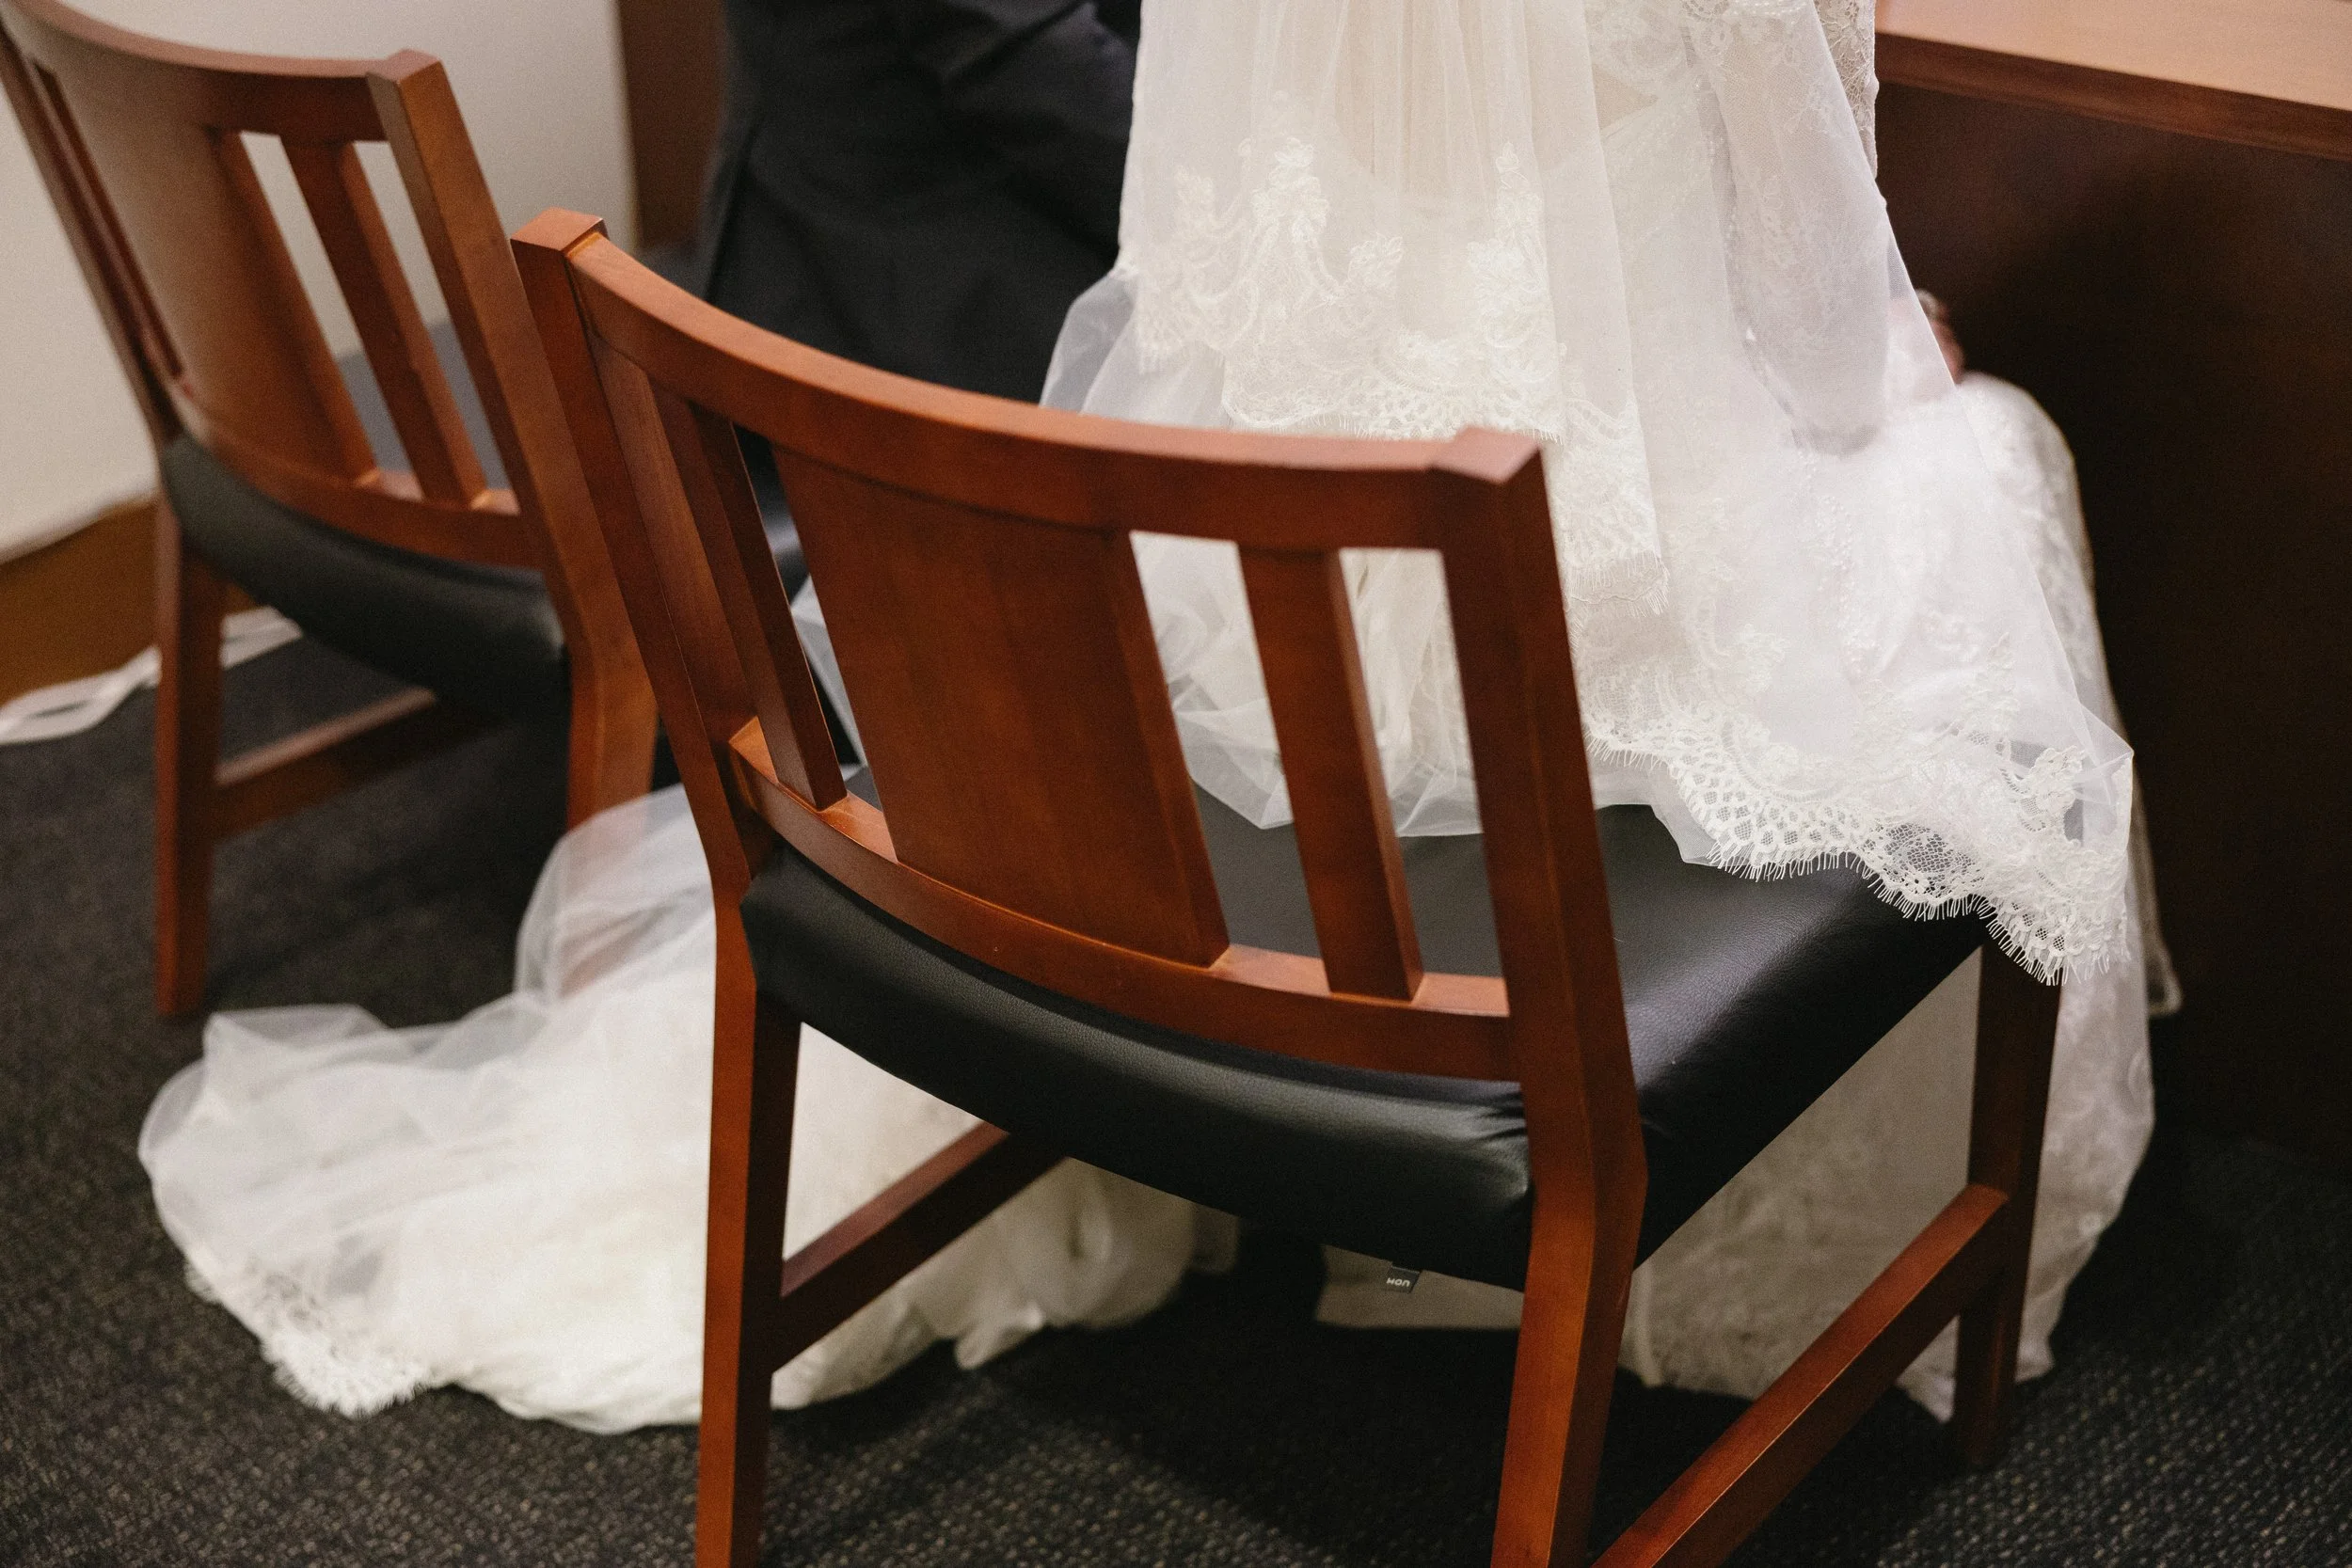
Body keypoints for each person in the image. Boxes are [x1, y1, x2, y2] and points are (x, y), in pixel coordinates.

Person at [142, 0, 2167, 1433]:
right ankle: (1824, 1243)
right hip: (1508, 589)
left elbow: (1195, 217)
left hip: (1285, 553)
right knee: (1984, 460)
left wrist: (1396, 274)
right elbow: (1817, 311)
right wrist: (1886, 359)